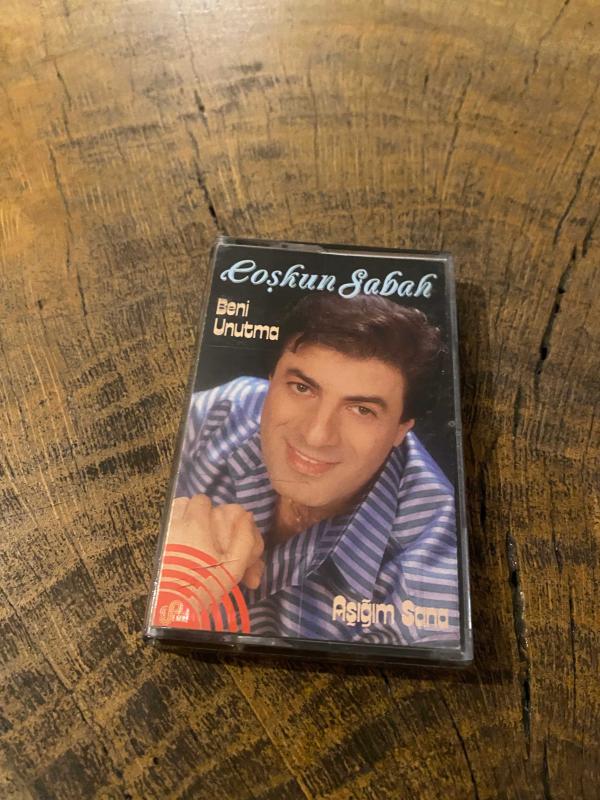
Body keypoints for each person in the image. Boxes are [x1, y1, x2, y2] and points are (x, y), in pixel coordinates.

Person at [162, 294, 460, 646]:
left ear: (401, 429)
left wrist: (180, 580)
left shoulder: (429, 602)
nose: (316, 435)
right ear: (272, 380)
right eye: (302, 388)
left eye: (361, 410)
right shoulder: (228, 410)